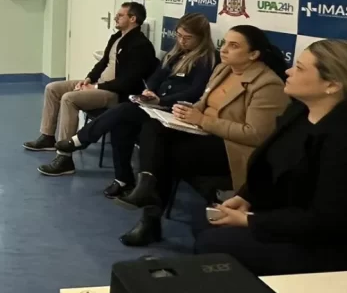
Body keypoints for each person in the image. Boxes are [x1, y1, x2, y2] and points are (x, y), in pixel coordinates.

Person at [195, 40, 347, 275]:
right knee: (202, 220)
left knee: (213, 242)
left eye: (299, 68)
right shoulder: (299, 112)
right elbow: (273, 166)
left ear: (331, 84)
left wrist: (250, 221)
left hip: (327, 247)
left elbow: (328, 221)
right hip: (286, 220)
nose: (288, 71)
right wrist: (247, 198)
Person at [116, 25, 289, 247]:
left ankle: (149, 214)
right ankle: (146, 185)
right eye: (225, 43)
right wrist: (187, 111)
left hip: (231, 149)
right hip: (203, 134)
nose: (224, 50)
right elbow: (204, 103)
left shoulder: (267, 84)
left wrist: (202, 120)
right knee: (153, 125)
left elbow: (256, 134)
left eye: (233, 46)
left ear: (254, 54)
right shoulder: (223, 70)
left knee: (165, 154)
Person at [41, 13, 217, 185]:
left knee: (122, 110)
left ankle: (79, 140)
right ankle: (122, 179)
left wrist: (161, 101)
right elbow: (158, 75)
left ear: (201, 38)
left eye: (188, 38)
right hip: (156, 105)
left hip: (173, 111)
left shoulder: (206, 59)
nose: (181, 41)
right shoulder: (176, 53)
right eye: (179, 36)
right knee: (120, 124)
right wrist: (149, 90)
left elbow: (195, 92)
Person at [23, 2, 157, 175]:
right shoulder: (116, 37)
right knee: (53, 88)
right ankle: (48, 137)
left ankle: (64, 158)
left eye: (121, 15)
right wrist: (88, 79)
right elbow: (102, 63)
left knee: (69, 98)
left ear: (133, 19)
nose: (116, 17)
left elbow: (128, 82)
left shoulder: (141, 46)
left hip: (115, 94)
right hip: (99, 84)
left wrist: (95, 86)